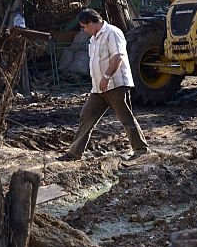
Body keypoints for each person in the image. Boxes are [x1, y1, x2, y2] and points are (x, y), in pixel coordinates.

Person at [59, 9, 149, 161]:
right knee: (86, 116)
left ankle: (141, 149)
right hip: (99, 87)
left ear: (91, 22)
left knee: (125, 117)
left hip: (115, 84)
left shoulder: (112, 33)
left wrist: (107, 76)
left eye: (84, 26)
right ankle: (74, 153)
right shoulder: (94, 38)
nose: (84, 30)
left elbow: (118, 56)